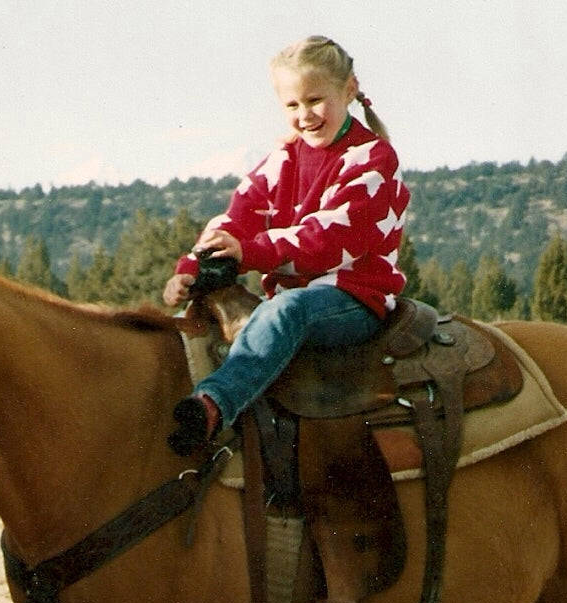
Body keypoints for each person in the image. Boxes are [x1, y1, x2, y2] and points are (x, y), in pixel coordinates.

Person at [164, 35, 411, 455]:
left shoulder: (372, 159)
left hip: (353, 297)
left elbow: (329, 239)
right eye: (292, 106)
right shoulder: (284, 159)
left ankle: (215, 403)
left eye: (316, 100)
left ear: (349, 90)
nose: (305, 116)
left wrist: (252, 253)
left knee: (285, 310)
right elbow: (239, 215)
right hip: (298, 298)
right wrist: (192, 267)